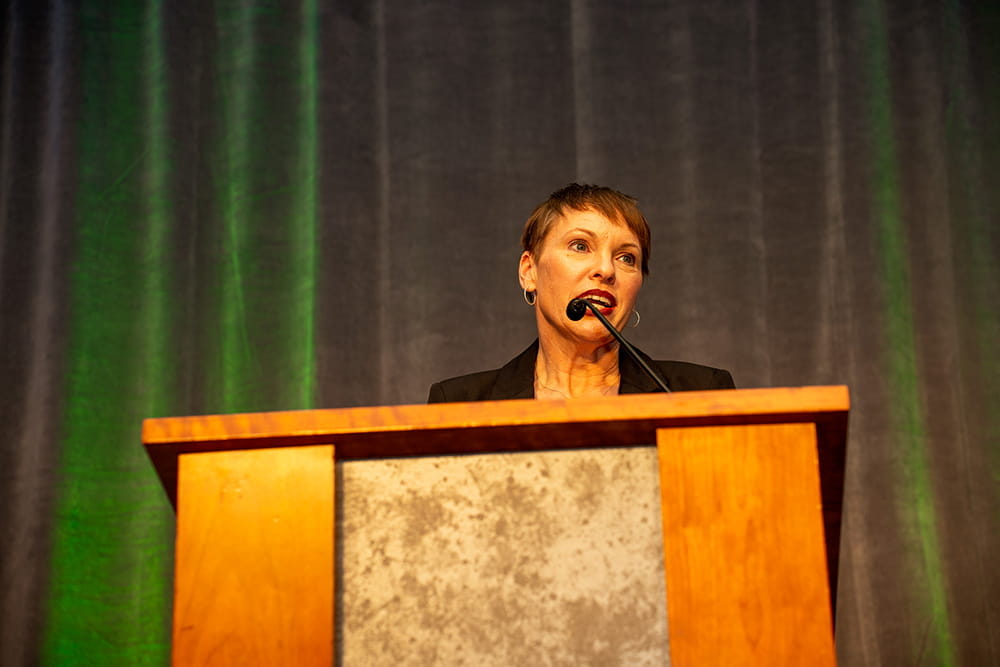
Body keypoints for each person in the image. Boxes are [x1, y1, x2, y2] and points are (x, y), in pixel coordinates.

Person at [427, 183, 734, 402]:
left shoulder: (698, 394)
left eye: (626, 258)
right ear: (529, 271)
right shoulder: (460, 403)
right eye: (580, 246)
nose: (606, 269)